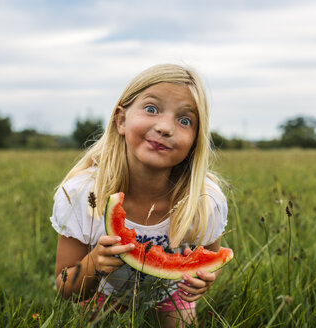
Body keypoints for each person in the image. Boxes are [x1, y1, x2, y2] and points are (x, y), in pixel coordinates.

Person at [50, 64, 228, 327]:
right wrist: (93, 265)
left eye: (185, 120)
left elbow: (214, 256)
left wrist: (203, 280)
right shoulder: (82, 193)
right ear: (121, 120)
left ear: (194, 141)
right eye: (152, 109)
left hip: (170, 296)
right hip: (100, 294)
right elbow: (65, 288)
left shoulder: (204, 199)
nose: (166, 127)